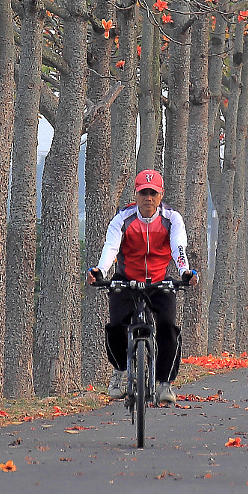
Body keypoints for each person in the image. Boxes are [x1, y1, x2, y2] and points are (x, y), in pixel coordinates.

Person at [89, 170, 195, 403]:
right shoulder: (122, 218)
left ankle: (164, 383)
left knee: (167, 327)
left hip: (159, 280)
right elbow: (111, 247)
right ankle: (119, 371)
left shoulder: (172, 218)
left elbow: (179, 247)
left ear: (161, 195)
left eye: (153, 193)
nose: (148, 198)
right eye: (143, 193)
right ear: (136, 195)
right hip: (126, 279)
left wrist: (184, 272)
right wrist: (100, 271)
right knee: (116, 325)